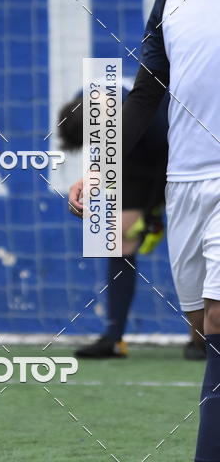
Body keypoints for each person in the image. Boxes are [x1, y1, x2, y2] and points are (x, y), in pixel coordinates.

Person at [69, 0, 220, 462]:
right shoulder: (174, 0)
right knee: (201, 326)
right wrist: (101, 170)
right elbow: (144, 96)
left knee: (218, 324)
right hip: (183, 188)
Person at [57, 88, 206, 358]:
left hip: (175, 160)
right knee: (118, 240)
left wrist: (151, 212)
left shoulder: (154, 125)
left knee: (195, 247)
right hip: (132, 161)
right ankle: (114, 338)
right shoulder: (83, 100)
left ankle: (201, 337)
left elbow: (164, 159)